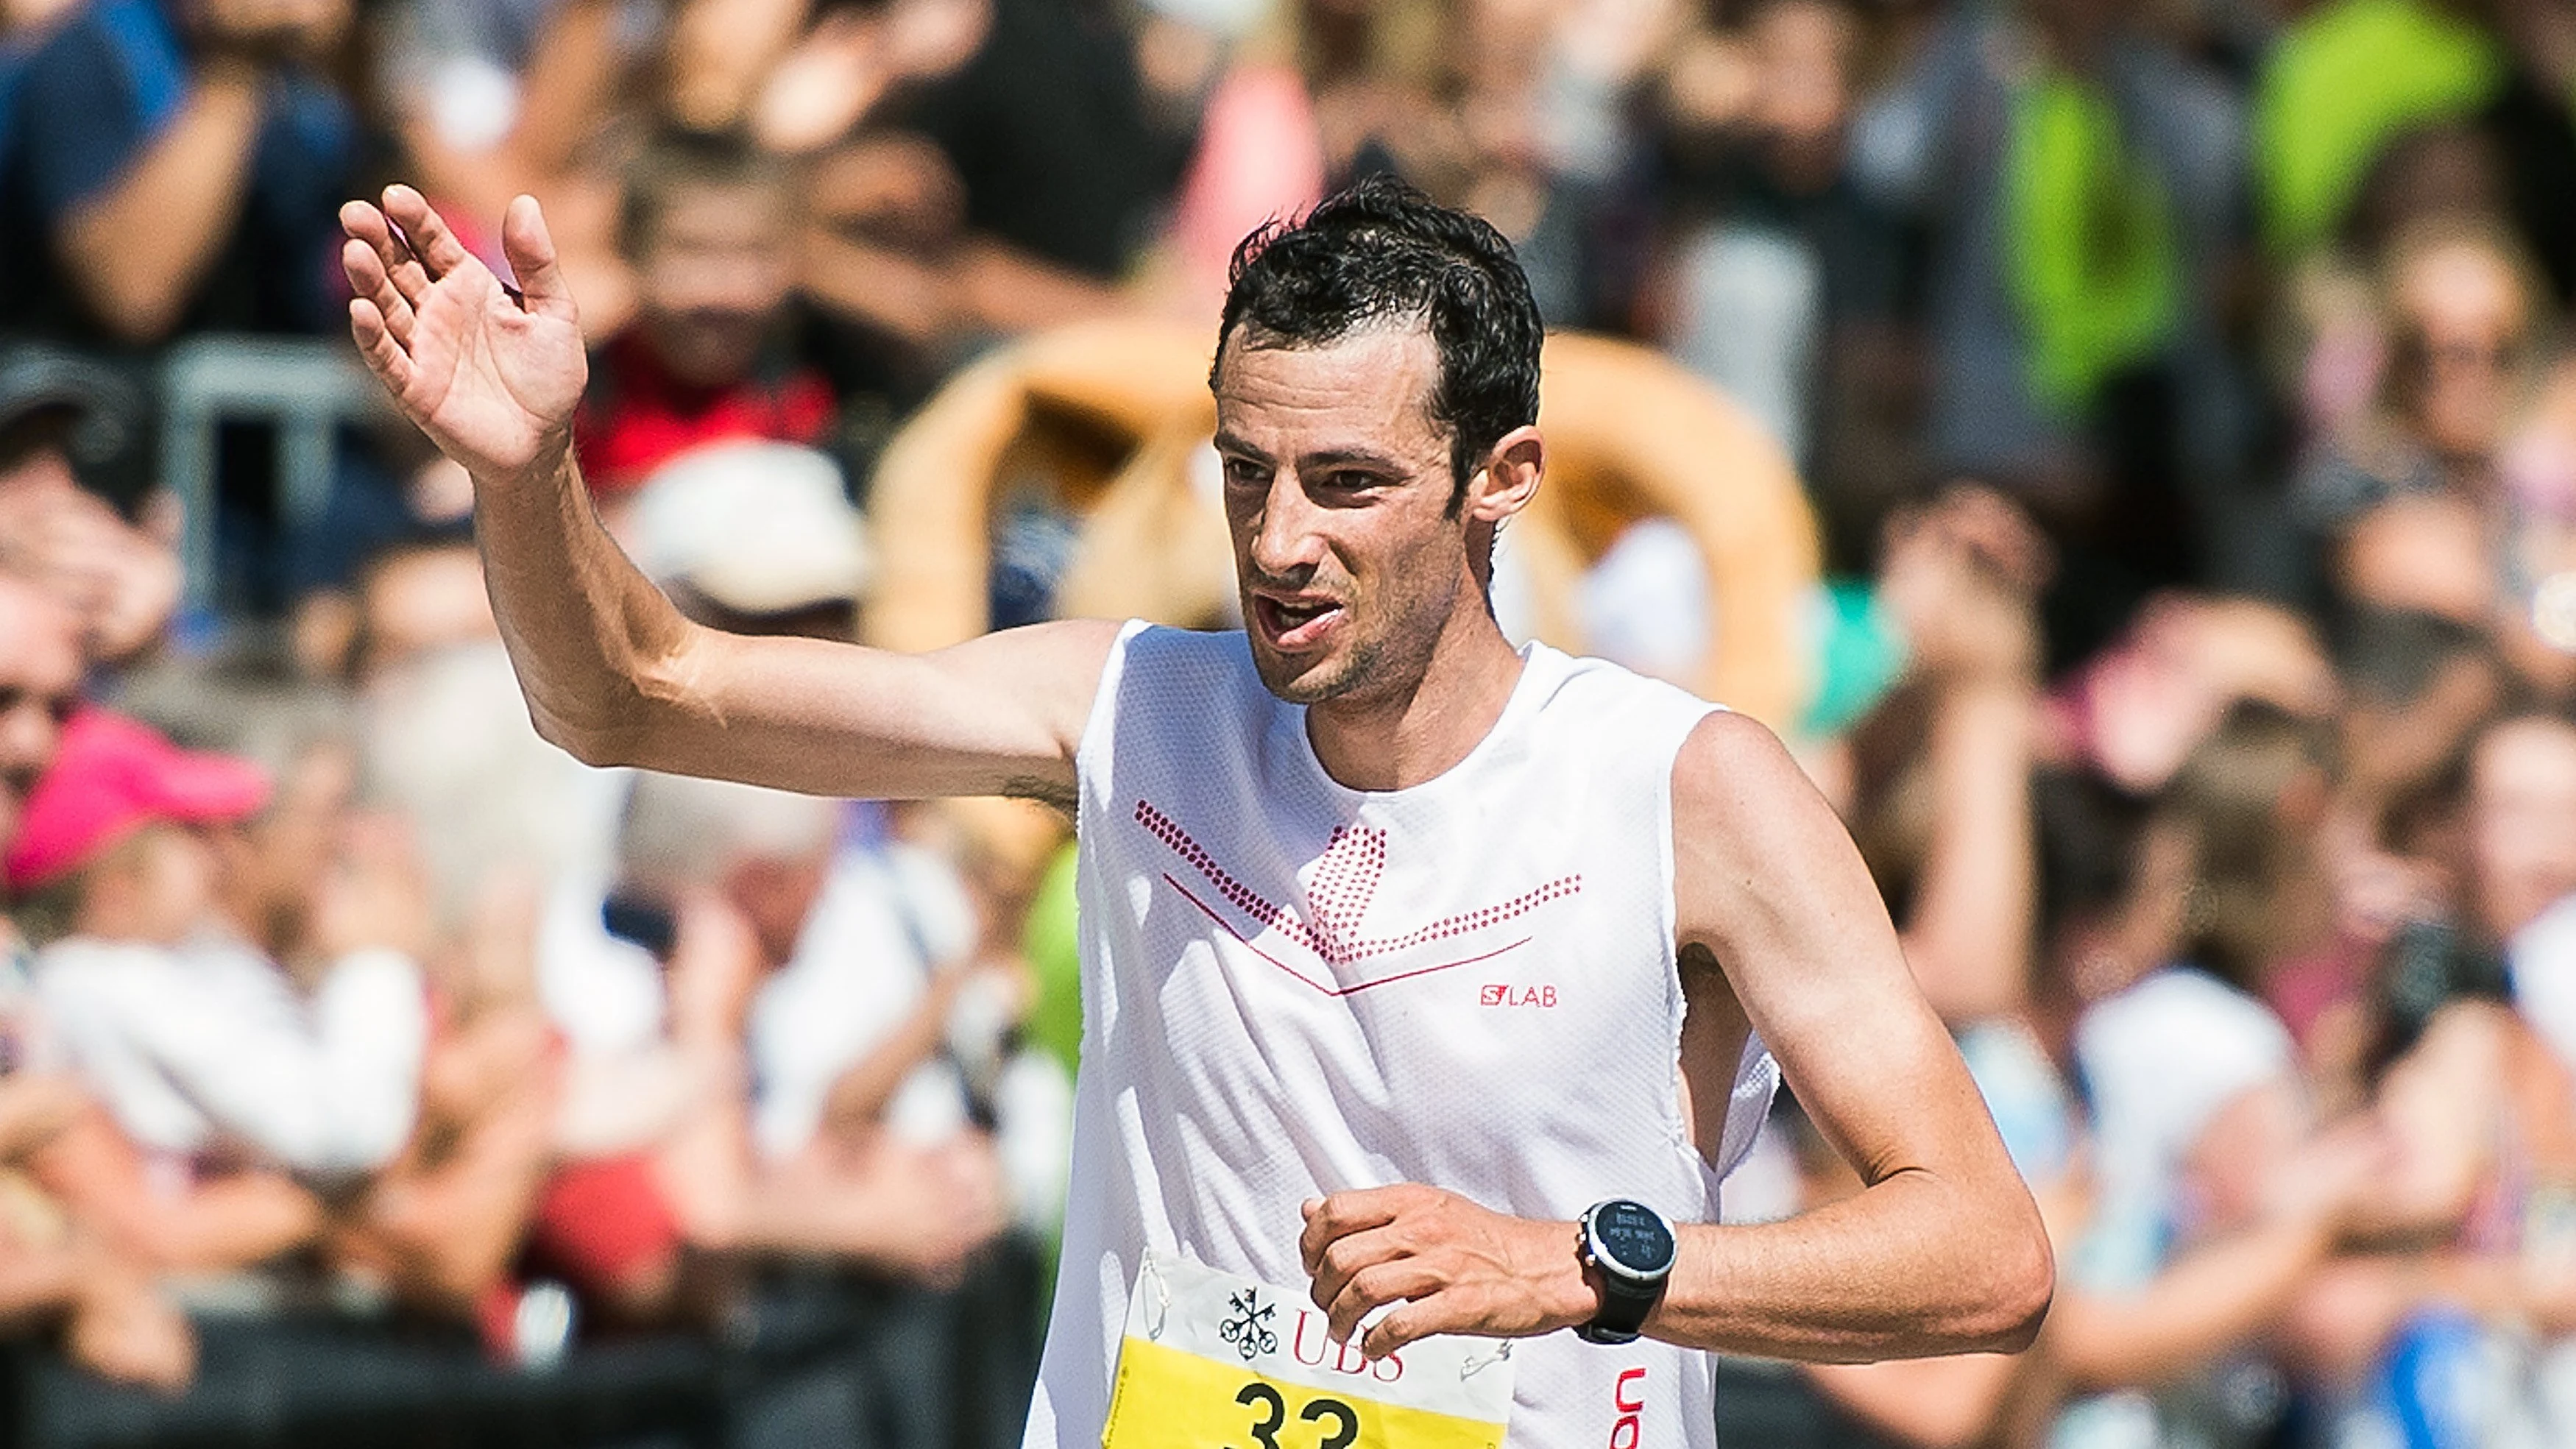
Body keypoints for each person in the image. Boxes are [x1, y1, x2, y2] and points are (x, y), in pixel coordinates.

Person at [338, 172, 2050, 1448]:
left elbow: (1984, 1254)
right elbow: (624, 694)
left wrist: (1584, 1271)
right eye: (1246, 471)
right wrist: (526, 471)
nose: (1280, 539)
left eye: (1351, 482)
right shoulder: (1126, 710)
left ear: (1499, 482)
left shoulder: (1683, 786)